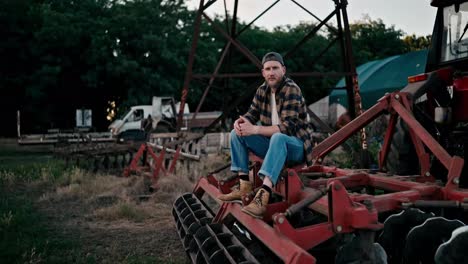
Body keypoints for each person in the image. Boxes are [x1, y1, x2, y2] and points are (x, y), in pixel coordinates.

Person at [218, 52, 314, 219]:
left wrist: (255, 130)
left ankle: (263, 195)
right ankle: (244, 186)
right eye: (268, 69)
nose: (271, 72)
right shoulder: (262, 90)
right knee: (236, 133)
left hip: (296, 147)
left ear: (283, 70)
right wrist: (241, 122)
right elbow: (251, 114)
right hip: (274, 147)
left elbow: (287, 127)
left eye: (275, 68)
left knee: (278, 137)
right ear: (263, 72)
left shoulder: (291, 89)